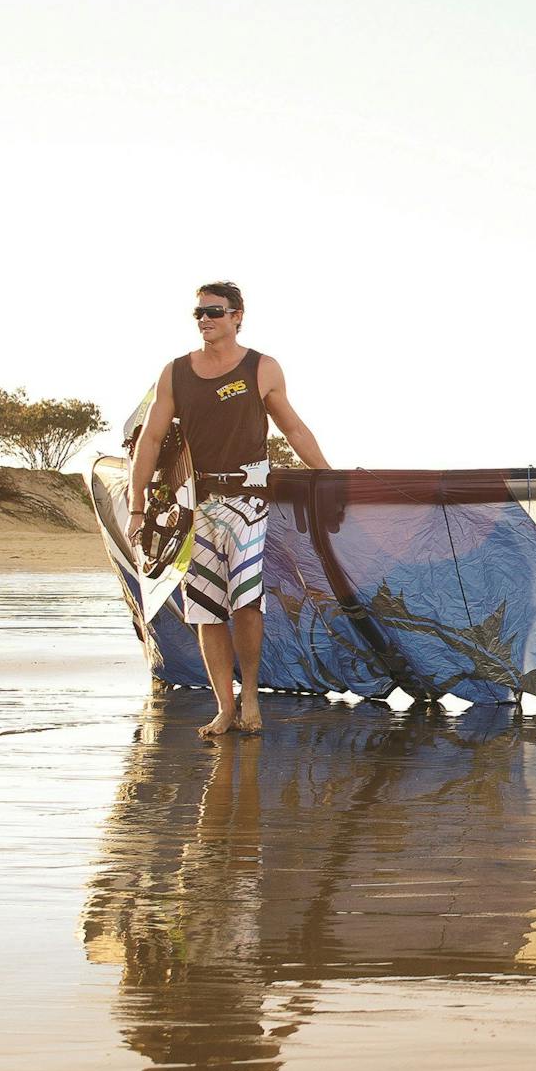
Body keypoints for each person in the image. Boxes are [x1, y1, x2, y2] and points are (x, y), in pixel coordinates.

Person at [126, 282, 329, 737]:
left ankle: (251, 696)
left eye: (214, 312)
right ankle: (224, 706)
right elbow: (151, 439)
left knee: (246, 602)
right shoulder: (175, 373)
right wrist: (136, 504)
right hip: (195, 507)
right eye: (198, 313)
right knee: (203, 608)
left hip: (249, 500)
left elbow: (293, 428)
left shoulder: (262, 367)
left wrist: (328, 476)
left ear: (238, 316)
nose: (204, 320)